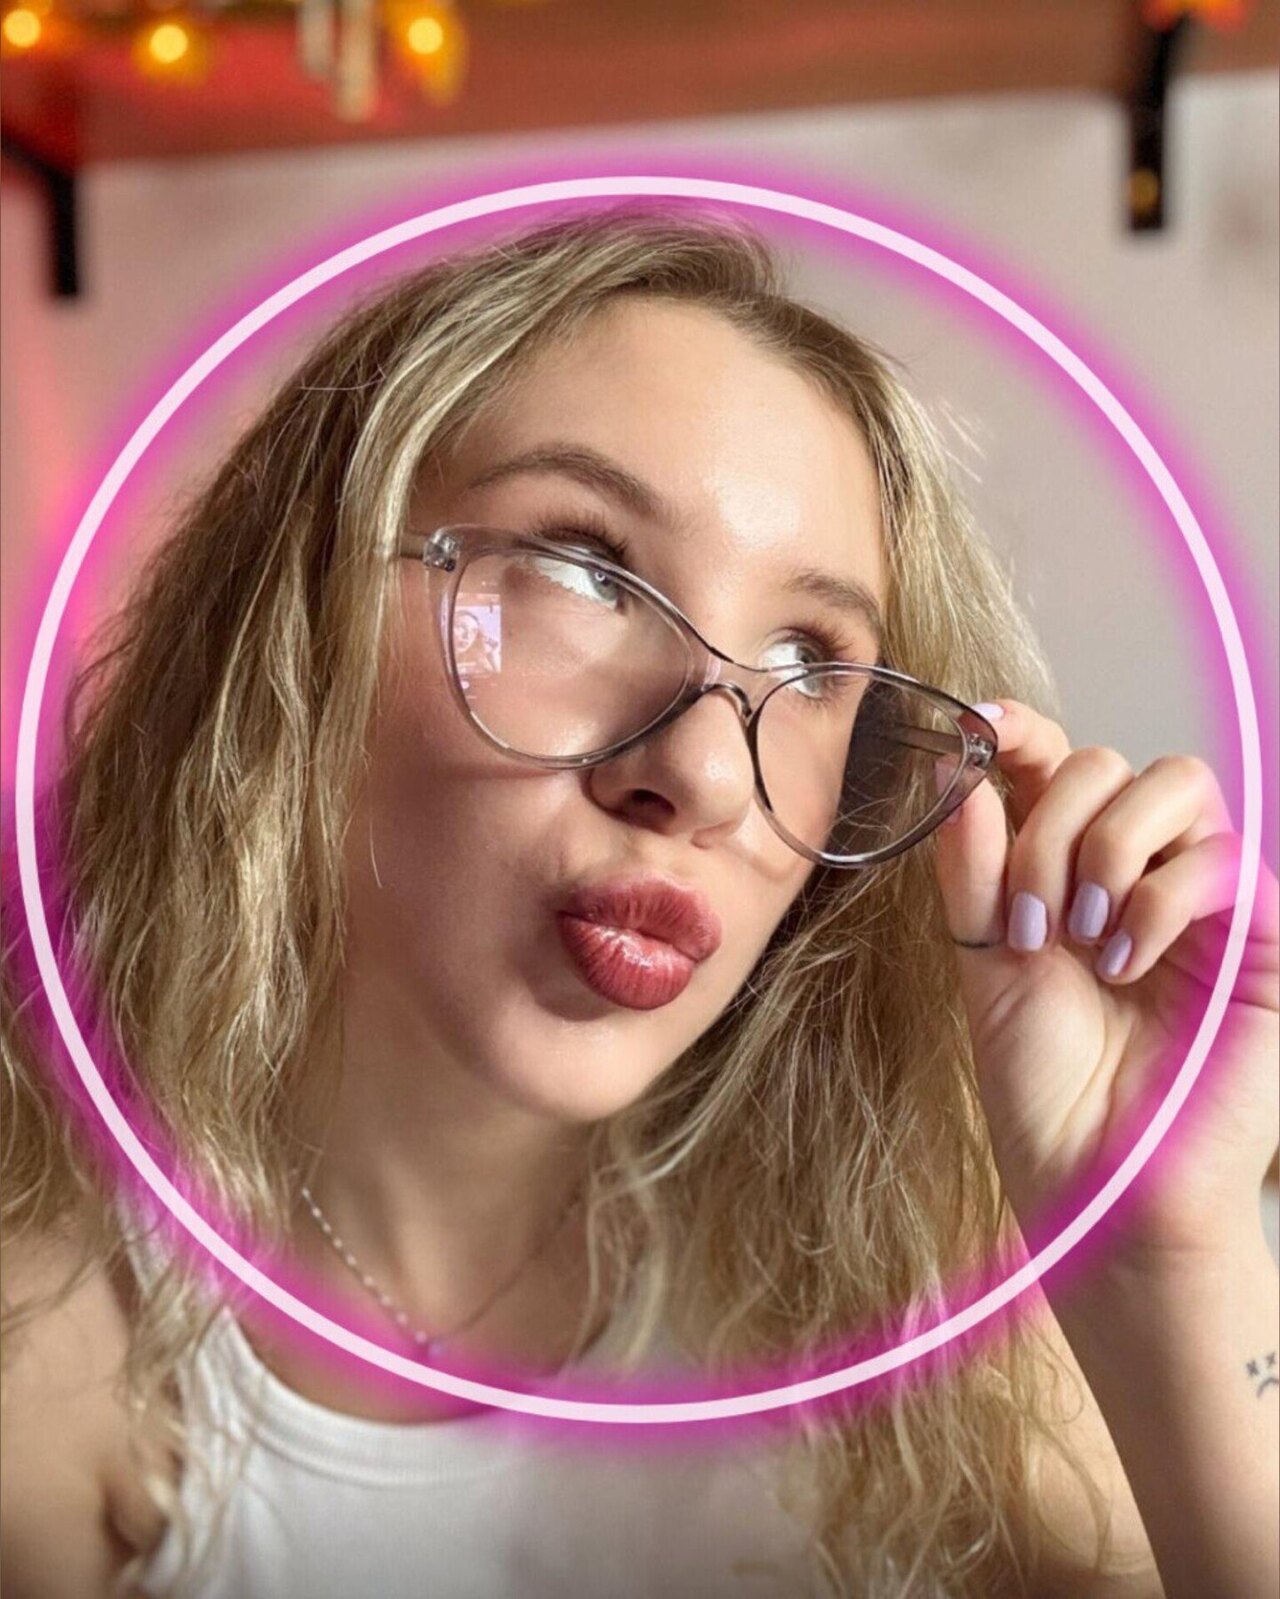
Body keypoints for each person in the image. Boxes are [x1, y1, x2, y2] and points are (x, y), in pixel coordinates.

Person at [1, 203, 1276, 1599]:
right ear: (298, 622)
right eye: (583, 571)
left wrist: (1171, 1252)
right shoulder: (53, 1325)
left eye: (810, 658)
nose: (704, 776)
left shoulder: (921, 1270)